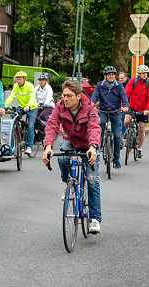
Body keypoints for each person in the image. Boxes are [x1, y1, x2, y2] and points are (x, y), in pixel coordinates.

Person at [42, 80, 102, 234]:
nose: (66, 99)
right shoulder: (60, 106)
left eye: (69, 96)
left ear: (78, 96)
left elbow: (95, 127)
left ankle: (94, 219)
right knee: (62, 158)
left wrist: (93, 147)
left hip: (89, 144)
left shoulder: (90, 107)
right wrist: (48, 147)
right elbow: (52, 125)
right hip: (71, 141)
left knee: (92, 179)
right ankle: (70, 183)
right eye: (64, 96)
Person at [91, 66, 129, 169]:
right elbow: (94, 96)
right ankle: (100, 147)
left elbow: (124, 96)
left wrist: (125, 106)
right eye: (109, 75)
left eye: (113, 74)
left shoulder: (119, 85)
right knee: (101, 125)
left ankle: (116, 160)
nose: (111, 76)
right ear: (105, 76)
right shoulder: (100, 85)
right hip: (103, 111)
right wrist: (91, 105)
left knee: (117, 136)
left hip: (116, 112)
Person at [124, 64, 149, 158]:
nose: (144, 75)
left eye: (146, 73)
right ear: (138, 74)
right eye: (142, 73)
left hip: (143, 109)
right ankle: (128, 131)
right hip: (132, 107)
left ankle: (139, 149)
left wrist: (147, 109)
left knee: (142, 128)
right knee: (126, 121)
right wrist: (124, 106)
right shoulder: (133, 81)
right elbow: (126, 93)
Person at [4, 71, 38, 155]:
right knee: (13, 118)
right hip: (22, 107)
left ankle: (29, 147)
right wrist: (4, 105)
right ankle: (18, 134)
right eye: (17, 79)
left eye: (20, 79)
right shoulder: (16, 86)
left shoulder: (29, 86)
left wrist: (29, 106)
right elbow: (11, 96)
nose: (18, 81)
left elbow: (32, 98)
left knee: (30, 126)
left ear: (24, 79)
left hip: (32, 107)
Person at [118, 72, 130, 136]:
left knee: (124, 117)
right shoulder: (117, 84)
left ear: (126, 78)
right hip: (120, 103)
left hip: (128, 103)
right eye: (119, 78)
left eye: (122, 78)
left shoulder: (130, 84)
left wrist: (126, 105)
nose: (120, 80)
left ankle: (124, 133)